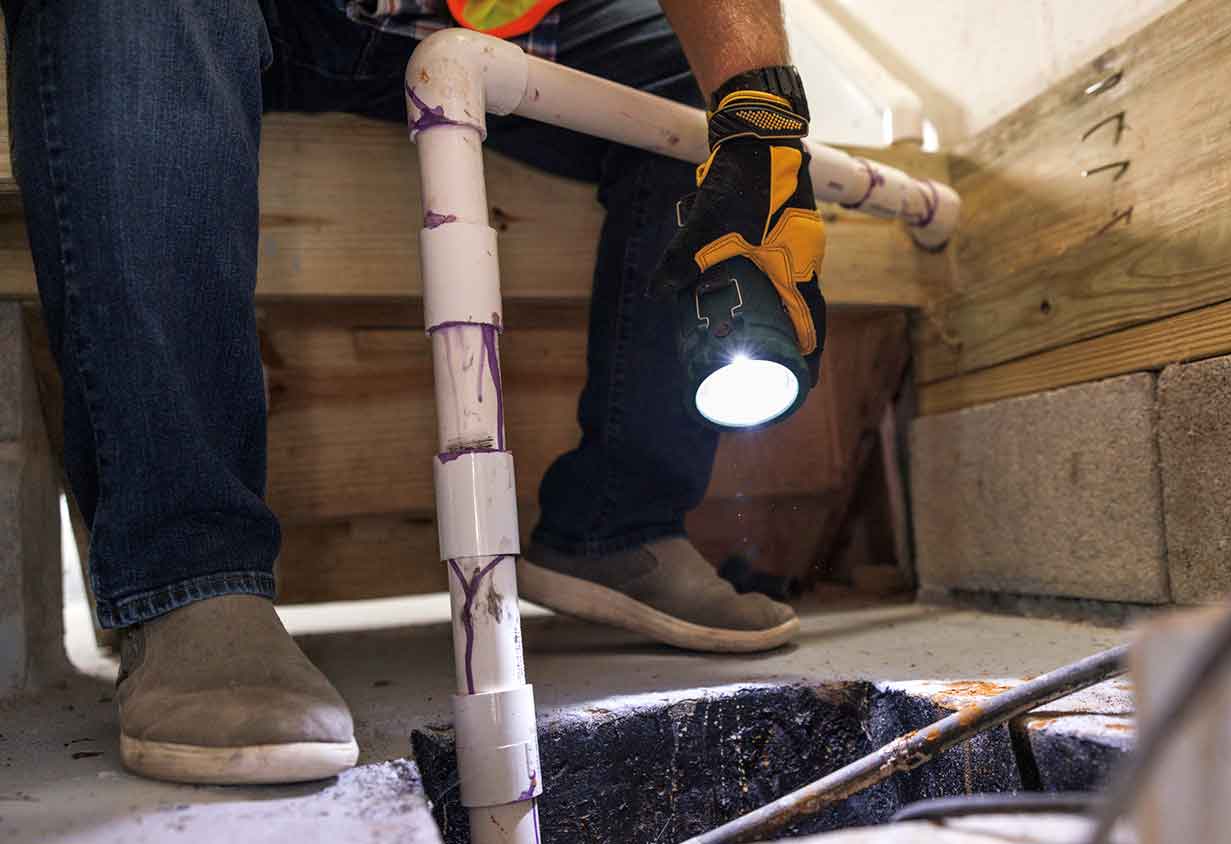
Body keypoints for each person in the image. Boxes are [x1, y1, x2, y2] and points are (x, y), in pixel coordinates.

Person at [1, 0, 827, 785]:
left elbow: (743, 99)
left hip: (472, 12)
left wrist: (763, 112)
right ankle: (189, 577)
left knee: (698, 88)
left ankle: (616, 525)